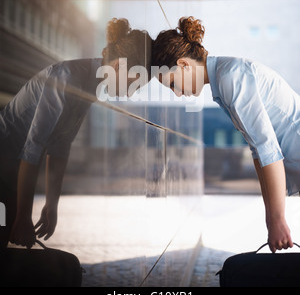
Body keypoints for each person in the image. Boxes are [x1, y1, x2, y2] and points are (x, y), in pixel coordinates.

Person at [0, 18, 153, 249]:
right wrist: (23, 216)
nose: (131, 94)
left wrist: (52, 205)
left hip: (11, 167)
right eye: (133, 84)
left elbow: (60, 148)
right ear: (118, 67)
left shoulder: (91, 85)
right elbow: (33, 148)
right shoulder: (67, 77)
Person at [152, 16, 300, 253]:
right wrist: (271, 217)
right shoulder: (224, 79)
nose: (177, 94)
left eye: (172, 83)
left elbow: (267, 148)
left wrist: (278, 219)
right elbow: (258, 152)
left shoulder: (231, 77)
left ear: (183, 65)